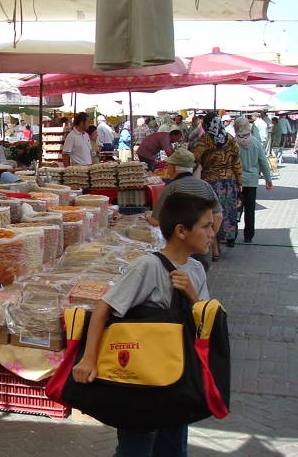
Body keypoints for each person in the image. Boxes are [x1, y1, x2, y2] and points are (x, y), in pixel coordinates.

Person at [72, 193, 215, 457]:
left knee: (173, 447)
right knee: (137, 447)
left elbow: (204, 321)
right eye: (206, 226)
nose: (212, 233)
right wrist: (89, 359)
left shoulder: (196, 269)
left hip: (177, 378)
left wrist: (192, 296)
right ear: (182, 230)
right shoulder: (148, 266)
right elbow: (104, 308)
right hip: (141, 383)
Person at [146, 147, 223, 269]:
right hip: (201, 249)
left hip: (180, 250)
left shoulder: (172, 189)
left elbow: (156, 221)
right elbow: (218, 216)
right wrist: (208, 235)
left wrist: (147, 215)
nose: (168, 168)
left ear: (174, 167)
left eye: (169, 165)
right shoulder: (206, 186)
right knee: (198, 278)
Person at [193, 112, 242, 259]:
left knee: (212, 215)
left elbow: (194, 158)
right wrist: (240, 182)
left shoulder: (205, 139)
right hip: (229, 183)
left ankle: (214, 248)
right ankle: (218, 244)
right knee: (225, 215)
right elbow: (237, 162)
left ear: (207, 125)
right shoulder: (230, 139)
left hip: (211, 182)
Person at [233, 117, 273, 243]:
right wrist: (268, 179)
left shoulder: (233, 143)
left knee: (234, 208)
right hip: (251, 181)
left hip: (236, 181)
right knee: (250, 210)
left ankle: (231, 236)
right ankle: (248, 236)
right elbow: (263, 162)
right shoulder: (256, 142)